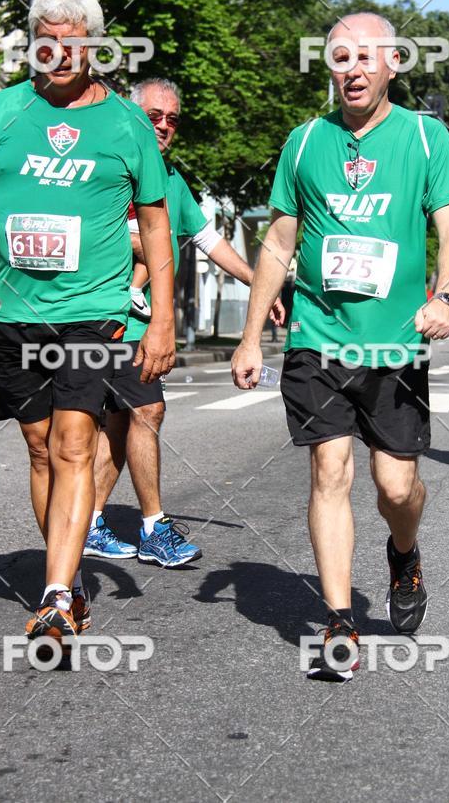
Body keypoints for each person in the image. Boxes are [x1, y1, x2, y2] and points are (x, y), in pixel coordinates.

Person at [0, 0, 175, 643]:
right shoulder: (4, 112)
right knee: (39, 448)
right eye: (47, 42)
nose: (59, 55)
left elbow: (155, 224)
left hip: (90, 311)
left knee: (73, 443)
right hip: (14, 310)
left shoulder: (126, 123)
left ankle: (59, 594)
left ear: (93, 47)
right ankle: (64, 574)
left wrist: (164, 321)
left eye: (72, 44)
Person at [231, 12, 449, 681]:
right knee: (328, 472)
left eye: (367, 57)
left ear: (394, 63)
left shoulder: (426, 139)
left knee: (396, 486)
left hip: (395, 346)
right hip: (317, 337)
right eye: (340, 57)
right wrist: (253, 336)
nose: (353, 69)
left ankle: (404, 552)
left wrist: (446, 299)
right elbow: (279, 243)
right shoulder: (305, 143)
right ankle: (340, 621)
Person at [86, 77, 284, 566]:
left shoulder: (170, 178)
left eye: (172, 119)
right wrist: (144, 244)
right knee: (147, 411)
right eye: (154, 116)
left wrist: (264, 284)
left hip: (138, 321)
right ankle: (153, 526)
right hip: (104, 316)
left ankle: (87, 522)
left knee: (119, 422)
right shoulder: (105, 163)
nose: (164, 126)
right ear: (131, 115)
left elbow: (207, 242)